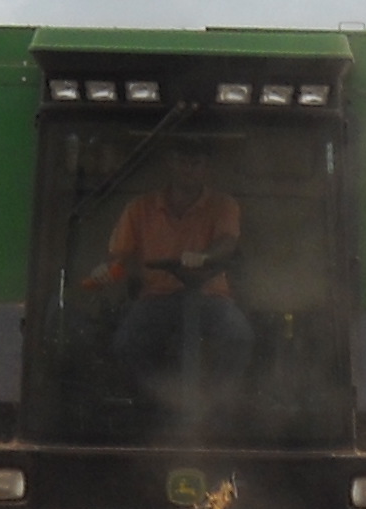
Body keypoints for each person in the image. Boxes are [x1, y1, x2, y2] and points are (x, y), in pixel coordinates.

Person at [90, 145, 254, 413]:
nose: (189, 168)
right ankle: (161, 400)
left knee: (240, 337)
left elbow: (227, 242)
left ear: (207, 167)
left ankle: (213, 404)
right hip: (156, 297)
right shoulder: (140, 208)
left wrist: (204, 256)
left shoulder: (224, 205)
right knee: (126, 343)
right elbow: (121, 258)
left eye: (196, 162)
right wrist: (106, 271)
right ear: (170, 163)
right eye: (183, 160)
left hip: (210, 297)